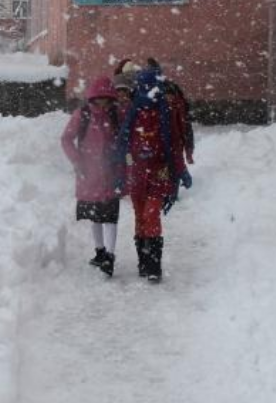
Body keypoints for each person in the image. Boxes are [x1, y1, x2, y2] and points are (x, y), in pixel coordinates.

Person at [115, 61, 192, 283]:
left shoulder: (165, 113)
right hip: (137, 173)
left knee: (151, 214)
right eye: (145, 87)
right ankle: (144, 261)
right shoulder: (133, 112)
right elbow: (123, 146)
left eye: (152, 88)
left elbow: (174, 145)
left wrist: (181, 170)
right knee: (140, 217)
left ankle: (154, 266)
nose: (150, 92)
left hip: (160, 172)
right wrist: (121, 173)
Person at [61, 77, 126, 277]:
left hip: (111, 174)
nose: (103, 103)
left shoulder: (117, 114)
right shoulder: (83, 115)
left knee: (110, 217)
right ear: (92, 97)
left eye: (106, 99)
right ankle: (99, 253)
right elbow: (66, 139)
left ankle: (110, 256)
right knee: (95, 217)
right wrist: (77, 162)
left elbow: (127, 139)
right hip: (88, 173)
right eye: (99, 99)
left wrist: (124, 164)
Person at [146, 57, 195, 165]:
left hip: (170, 141)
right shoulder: (152, 96)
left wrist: (188, 151)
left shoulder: (155, 95)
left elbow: (185, 129)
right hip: (164, 142)